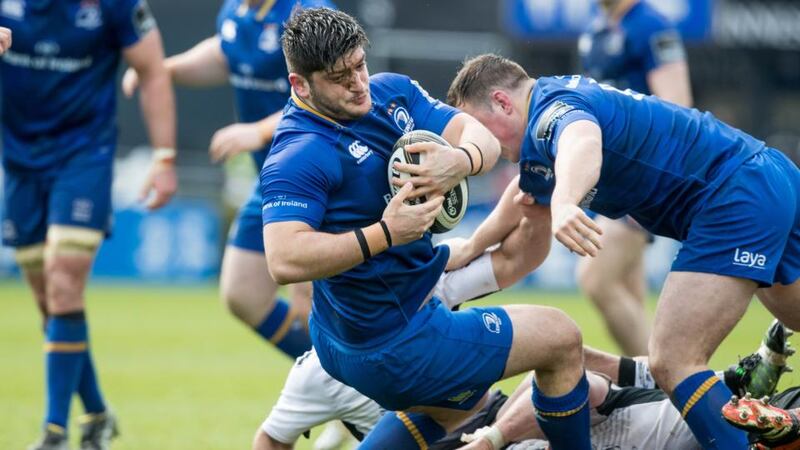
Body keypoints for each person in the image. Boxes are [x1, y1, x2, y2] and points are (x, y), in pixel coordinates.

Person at [261, 8, 592, 449]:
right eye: (340, 78)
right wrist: (385, 233)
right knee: (561, 337)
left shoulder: (390, 93)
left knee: (455, 405)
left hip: (386, 315)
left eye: (360, 65)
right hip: (394, 342)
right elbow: (283, 259)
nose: (358, 83)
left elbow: (481, 138)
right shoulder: (298, 154)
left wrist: (459, 161)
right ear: (300, 85)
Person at [447, 53, 800, 448]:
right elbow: (522, 197)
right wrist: (470, 247)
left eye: (478, 129)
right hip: (764, 174)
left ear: (502, 102)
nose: (479, 143)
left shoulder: (552, 110)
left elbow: (581, 140)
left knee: (674, 360)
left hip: (732, 193)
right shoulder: (544, 120)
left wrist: (565, 202)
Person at [0, 1, 177, 449]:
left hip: (85, 155)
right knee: (50, 303)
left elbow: (152, 70)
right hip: (19, 162)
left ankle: (54, 431)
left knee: (63, 283)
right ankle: (97, 413)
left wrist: (164, 158)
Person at [122, 0, 336, 361]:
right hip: (273, 181)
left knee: (315, 308)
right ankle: (343, 390)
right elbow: (225, 51)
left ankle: (362, 398)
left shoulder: (307, 10)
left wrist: (259, 129)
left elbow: (328, 93)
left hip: (319, 179)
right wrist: (165, 69)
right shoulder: (237, 10)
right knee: (244, 294)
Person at [575, 0, 693, 356]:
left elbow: (677, 108)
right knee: (628, 290)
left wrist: (652, 177)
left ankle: (663, 380)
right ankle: (654, 389)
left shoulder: (650, 26)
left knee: (595, 279)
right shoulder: (594, 28)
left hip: (644, 179)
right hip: (612, 182)